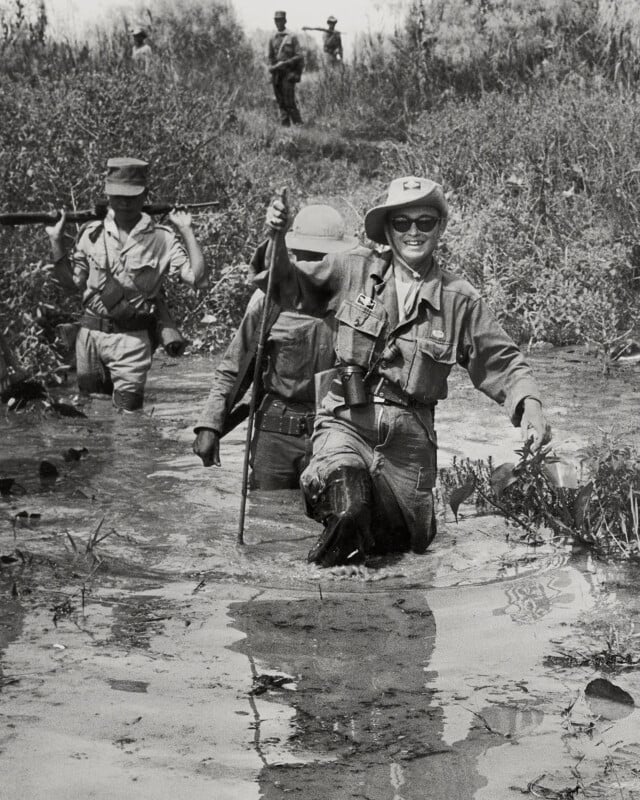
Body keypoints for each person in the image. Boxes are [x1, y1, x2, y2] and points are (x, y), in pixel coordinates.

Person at [259, 176, 551, 567]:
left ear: (440, 228)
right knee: (348, 506)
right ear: (388, 230)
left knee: (401, 547)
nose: (414, 232)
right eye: (402, 223)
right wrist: (276, 239)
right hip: (346, 425)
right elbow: (287, 285)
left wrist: (529, 406)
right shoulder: (353, 269)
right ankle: (321, 599)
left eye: (425, 222)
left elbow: (503, 362)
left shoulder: (459, 299)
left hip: (409, 445)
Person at [193, 205, 359, 489]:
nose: (314, 266)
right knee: (267, 515)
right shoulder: (267, 301)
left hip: (336, 430)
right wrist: (210, 425)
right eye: (307, 256)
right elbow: (234, 368)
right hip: (277, 432)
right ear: (293, 254)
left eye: (322, 257)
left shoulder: (356, 300)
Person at [45, 157, 208, 411]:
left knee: (130, 424)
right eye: (118, 195)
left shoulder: (162, 239)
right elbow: (72, 283)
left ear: (145, 195)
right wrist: (56, 242)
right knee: (93, 416)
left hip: (131, 341)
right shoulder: (90, 233)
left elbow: (196, 278)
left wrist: (187, 230)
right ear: (107, 195)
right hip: (89, 337)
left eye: (132, 196)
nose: (124, 203)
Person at [267, 10, 304, 127]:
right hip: (277, 75)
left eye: (280, 20)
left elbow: (299, 56)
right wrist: (272, 67)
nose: (278, 22)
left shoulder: (292, 37)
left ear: (285, 21)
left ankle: (299, 126)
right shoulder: (272, 37)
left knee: (289, 102)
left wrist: (286, 64)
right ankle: (285, 128)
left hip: (288, 74)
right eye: (276, 20)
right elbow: (270, 57)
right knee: (281, 103)